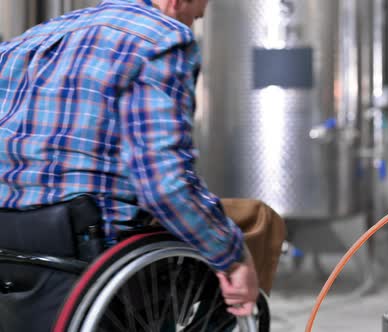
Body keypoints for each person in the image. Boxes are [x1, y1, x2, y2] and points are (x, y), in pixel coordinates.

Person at [0, 0, 265, 329]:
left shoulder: (28, 40)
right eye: (195, 15)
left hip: (10, 243)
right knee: (255, 229)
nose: (193, 24)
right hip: (92, 244)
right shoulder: (162, 38)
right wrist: (233, 258)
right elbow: (165, 183)